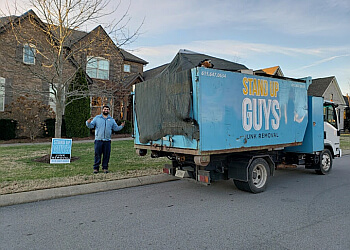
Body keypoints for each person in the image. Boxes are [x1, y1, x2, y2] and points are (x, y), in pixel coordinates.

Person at [86, 105, 125, 174]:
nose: (106, 110)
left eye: (107, 109)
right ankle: (96, 168)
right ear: (102, 110)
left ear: (109, 111)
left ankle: (105, 168)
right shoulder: (97, 118)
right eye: (105, 109)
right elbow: (91, 126)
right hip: (98, 140)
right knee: (97, 154)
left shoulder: (111, 120)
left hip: (107, 141)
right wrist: (88, 123)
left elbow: (115, 128)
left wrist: (121, 126)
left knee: (106, 155)